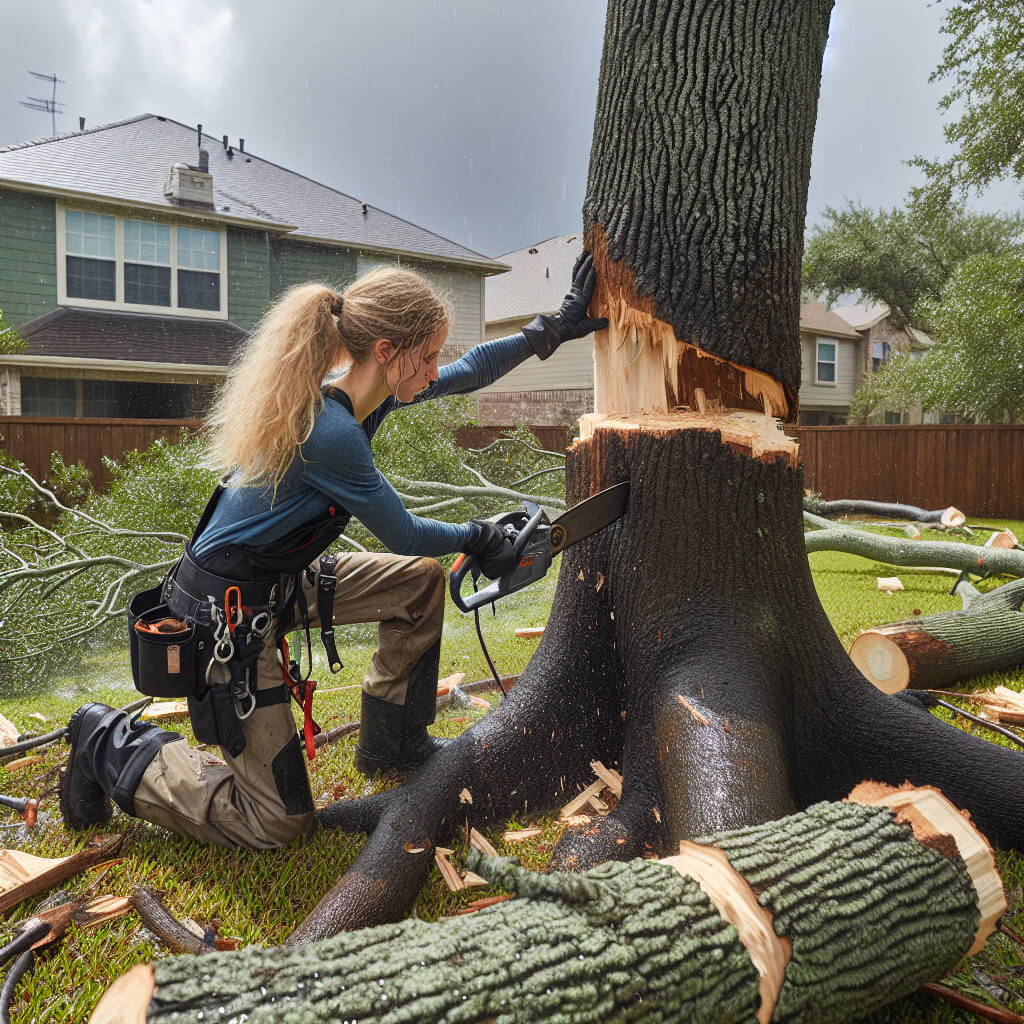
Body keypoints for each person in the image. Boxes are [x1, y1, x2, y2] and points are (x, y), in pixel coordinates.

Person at [59, 254, 607, 850]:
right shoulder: (333, 433)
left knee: (418, 583)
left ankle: (392, 746)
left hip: (280, 580)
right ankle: (106, 741)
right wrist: (477, 536)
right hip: (227, 614)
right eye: (426, 358)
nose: (433, 371)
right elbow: (402, 531)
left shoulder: (369, 399)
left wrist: (549, 330)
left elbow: (469, 371)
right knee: (278, 824)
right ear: (386, 351)